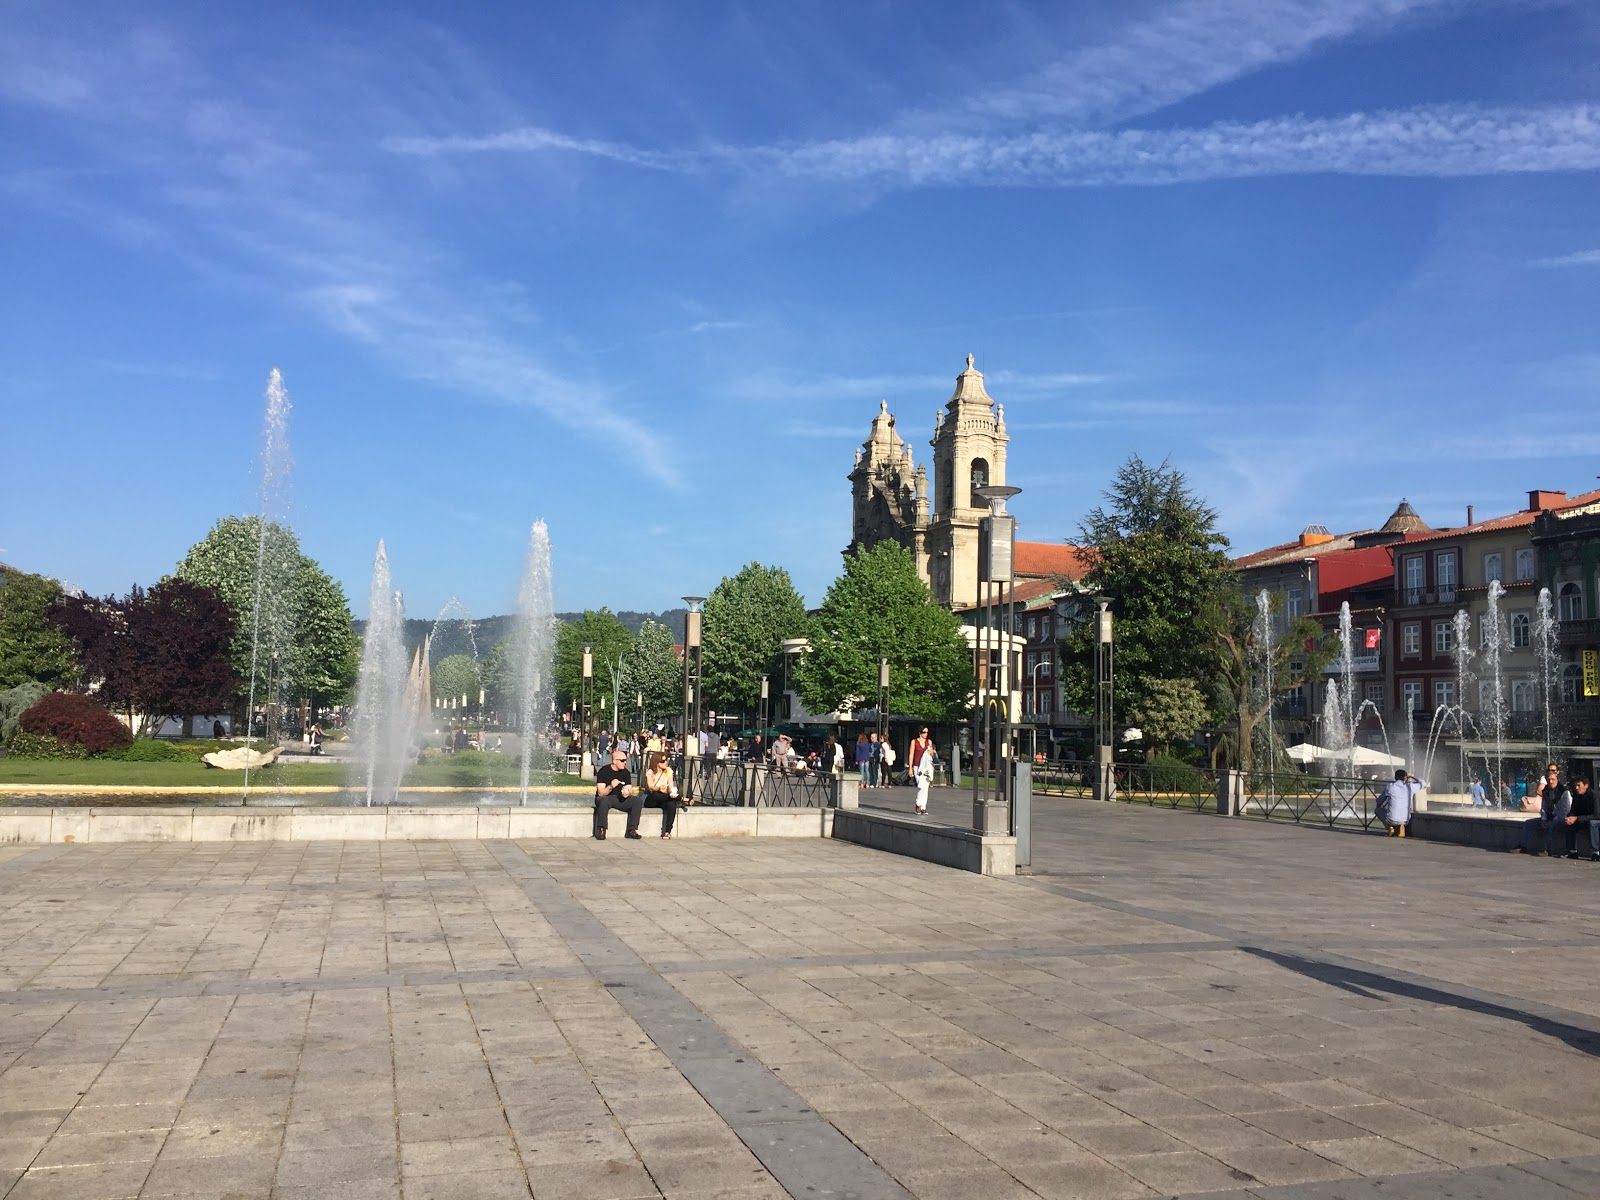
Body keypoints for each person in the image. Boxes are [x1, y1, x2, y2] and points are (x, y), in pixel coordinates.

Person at [1521, 762, 1572, 855]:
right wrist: (1544, 819)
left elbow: (1565, 810)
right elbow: (1544, 807)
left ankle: (1548, 849)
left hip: (1561, 819)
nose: (1551, 782)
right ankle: (1523, 846)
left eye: (1553, 779)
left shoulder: (1564, 792)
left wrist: (1553, 820)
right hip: (1549, 818)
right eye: (1548, 780)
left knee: (1553, 825)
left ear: (1557, 779)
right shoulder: (1545, 791)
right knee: (1528, 823)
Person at [593, 746, 643, 841]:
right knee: (603, 800)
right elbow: (600, 793)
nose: (625, 762)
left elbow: (629, 788)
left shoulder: (626, 773)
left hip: (620, 798)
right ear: (615, 761)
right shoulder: (604, 771)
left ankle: (632, 830)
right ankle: (601, 829)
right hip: (607, 797)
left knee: (637, 801)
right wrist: (611, 786)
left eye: (625, 760)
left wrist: (627, 793)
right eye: (622, 760)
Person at [641, 751, 681, 839]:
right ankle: (681, 799)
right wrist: (659, 788)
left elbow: (670, 786)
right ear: (656, 762)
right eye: (663, 761)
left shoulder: (668, 771)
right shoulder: (650, 772)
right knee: (657, 795)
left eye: (666, 760)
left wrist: (670, 791)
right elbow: (650, 787)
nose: (666, 762)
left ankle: (667, 831)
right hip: (652, 798)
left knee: (671, 804)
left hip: (664, 797)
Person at [1559, 776, 1598, 860]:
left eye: (1579, 785)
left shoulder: (1594, 796)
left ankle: (1595, 852)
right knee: (1568, 824)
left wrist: (1577, 818)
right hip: (1582, 820)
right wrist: (1569, 817)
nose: (1576, 788)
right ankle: (1572, 851)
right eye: (1575, 786)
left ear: (1586, 785)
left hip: (1594, 821)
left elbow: (1597, 815)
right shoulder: (1576, 795)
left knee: (1592, 823)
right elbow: (1573, 810)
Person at [1381, 769, 1426, 837]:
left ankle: (1389, 827)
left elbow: (1379, 800)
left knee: (1377, 810)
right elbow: (1423, 783)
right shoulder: (1410, 787)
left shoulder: (1390, 786)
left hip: (1390, 819)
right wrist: (1411, 777)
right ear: (1405, 777)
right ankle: (1400, 829)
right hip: (1405, 820)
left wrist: (1379, 804)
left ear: (1395, 777)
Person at [909, 726, 936, 815]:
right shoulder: (914, 742)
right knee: (921, 785)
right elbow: (911, 754)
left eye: (927, 732)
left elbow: (931, 754)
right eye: (924, 732)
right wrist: (910, 768)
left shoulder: (929, 742)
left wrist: (932, 753)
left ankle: (923, 806)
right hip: (917, 766)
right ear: (920, 732)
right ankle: (918, 803)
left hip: (927, 767)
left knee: (926, 787)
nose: (926, 734)